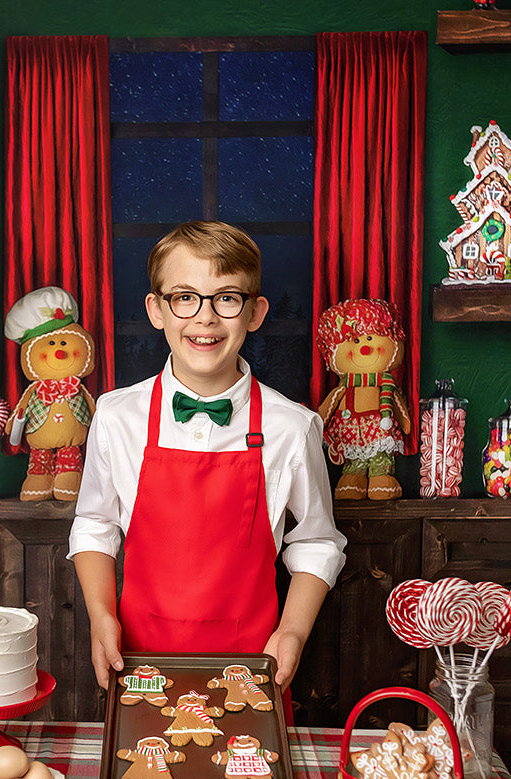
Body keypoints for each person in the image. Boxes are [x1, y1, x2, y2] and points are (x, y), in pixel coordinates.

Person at [69, 220, 347, 700]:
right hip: (138, 662)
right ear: (156, 309)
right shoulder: (116, 416)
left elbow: (318, 543)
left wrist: (293, 633)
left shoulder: (291, 427)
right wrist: (100, 616)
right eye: (184, 297)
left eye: (226, 298)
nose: (205, 318)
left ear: (254, 312)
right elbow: (95, 525)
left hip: (251, 666)